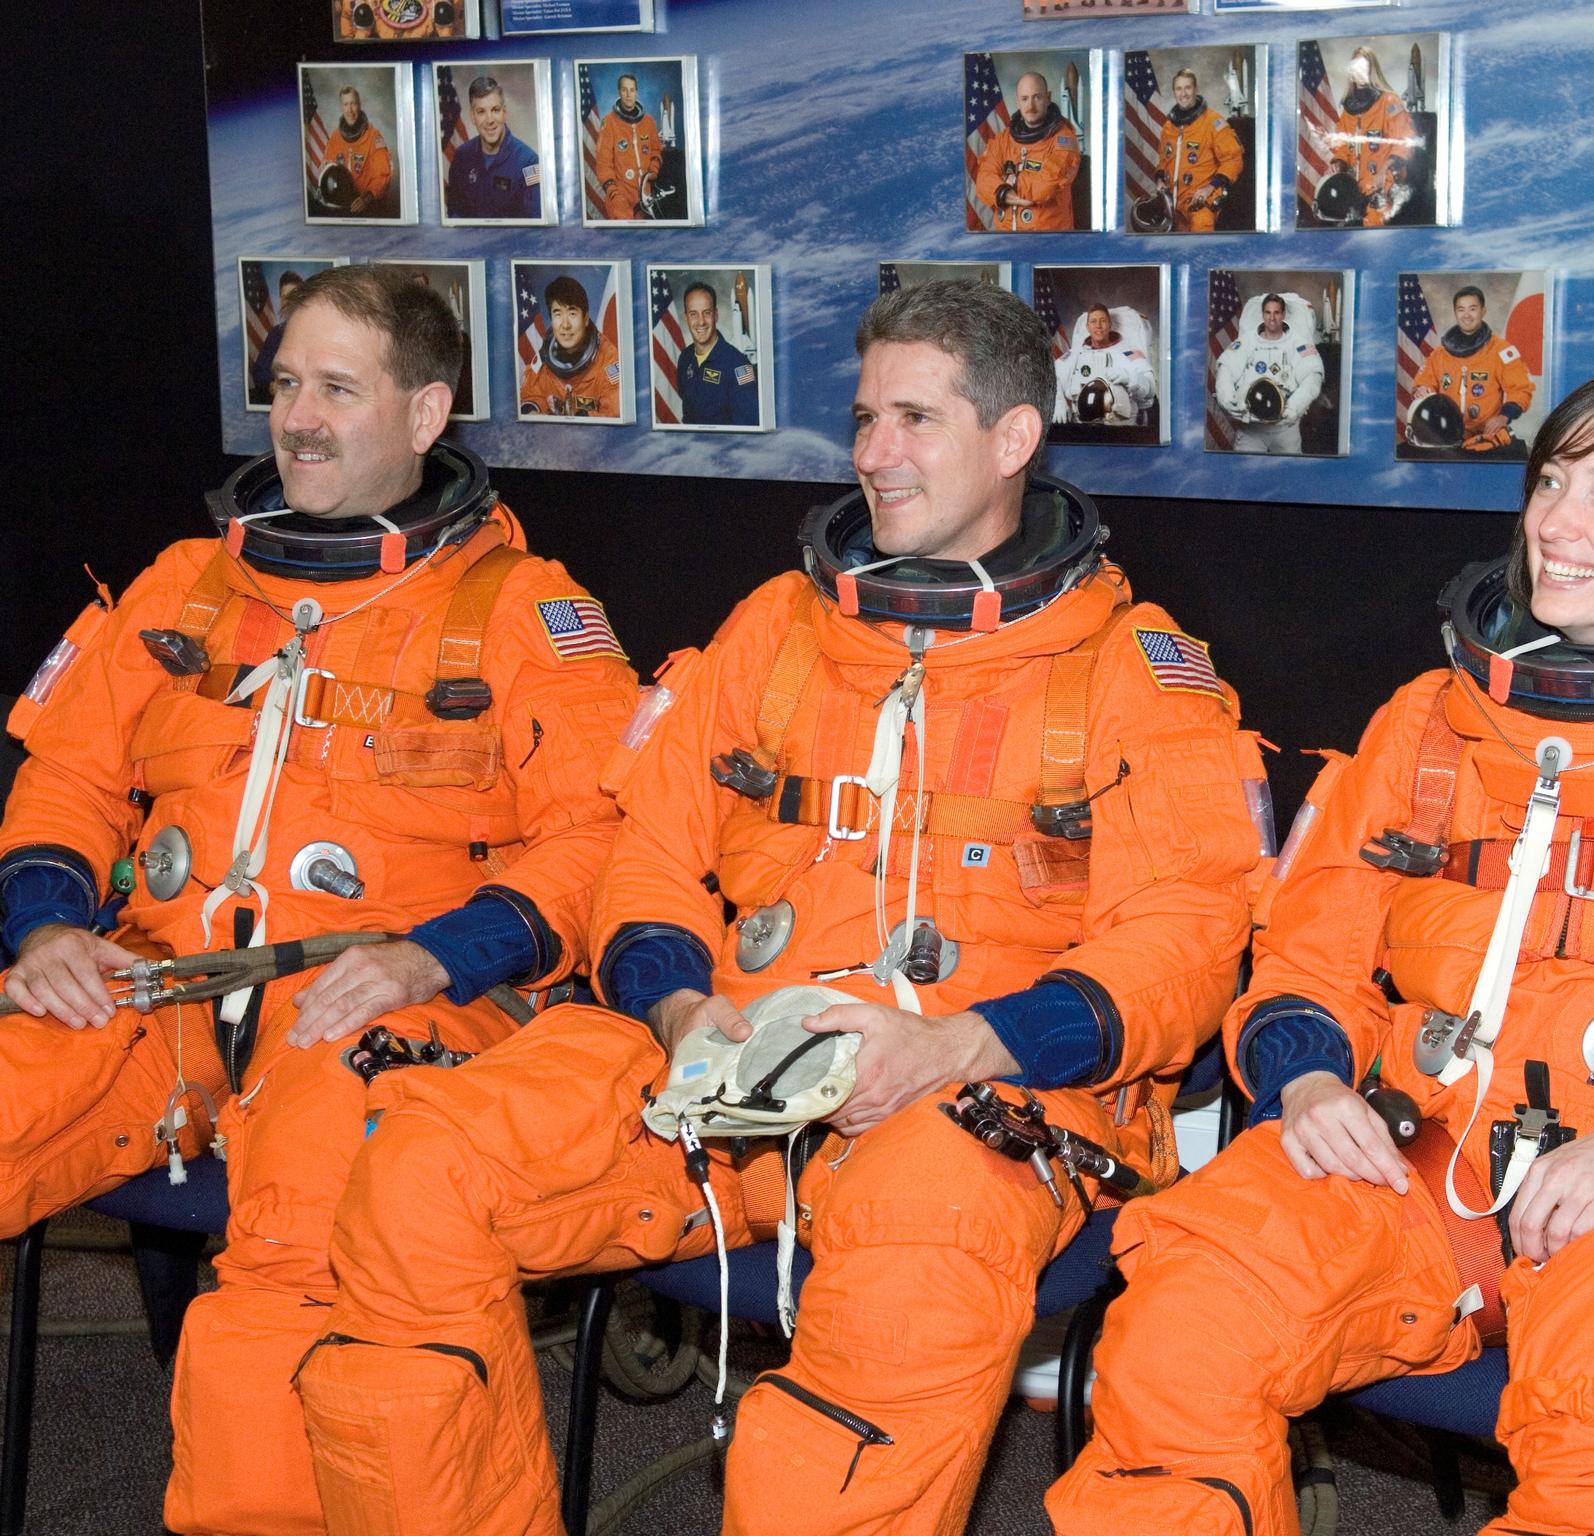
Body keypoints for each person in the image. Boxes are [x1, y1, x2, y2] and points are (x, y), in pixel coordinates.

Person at [296, 278, 1263, 1536]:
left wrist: (958, 1047)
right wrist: (678, 1006)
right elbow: (646, 851)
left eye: (914, 419)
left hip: (973, 1096)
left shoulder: (1131, 672)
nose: (873, 453)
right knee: (420, 1165)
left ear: (1014, 438)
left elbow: (1187, 940)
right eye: (864, 418)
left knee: (904, 1286)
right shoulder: (777, 631)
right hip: (720, 1071)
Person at [1049, 368, 1594, 1536]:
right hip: (1426, 1157)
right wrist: (1308, 1077)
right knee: (1182, 1323)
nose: (1554, 522)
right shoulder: (1428, 725)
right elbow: (1306, 954)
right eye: (1551, 483)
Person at [0, 265, 636, 1536]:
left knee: (291, 1272)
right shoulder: (186, 586)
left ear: (425, 412)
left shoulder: (523, 613)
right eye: (286, 384)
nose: (297, 418)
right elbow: (64, 777)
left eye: (338, 390)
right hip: (155, 991)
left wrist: (437, 957)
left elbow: (602, 839)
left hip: (375, 1005)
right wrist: (48, 925)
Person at [1409, 285, 1534, 458]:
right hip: (1446, 435)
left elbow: (1521, 389)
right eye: (1461, 309)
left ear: (1483, 311)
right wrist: (1422, 389)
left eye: (1472, 309)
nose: (1466, 315)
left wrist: (1503, 417)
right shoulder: (1440, 354)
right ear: (1455, 313)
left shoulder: (1500, 351)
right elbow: (1424, 381)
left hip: (1486, 436)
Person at [1213, 292, 1324, 454]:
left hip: (1285, 429)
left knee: (1288, 468)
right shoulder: (1246, 342)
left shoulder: (1298, 344)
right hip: (1251, 428)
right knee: (1245, 468)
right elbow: (1226, 369)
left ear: (1283, 315)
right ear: (1262, 314)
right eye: (1268, 312)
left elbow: (1313, 377)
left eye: (1276, 313)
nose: (1272, 318)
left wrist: (1293, 408)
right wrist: (1227, 399)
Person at [974, 71, 1082, 231]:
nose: (1030, 106)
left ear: (1048, 98)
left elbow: (1045, 185)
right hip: (1006, 236)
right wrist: (1003, 192)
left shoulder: (1064, 139)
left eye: (1037, 97)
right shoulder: (1004, 139)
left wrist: (1004, 184)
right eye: (1025, 99)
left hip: (1049, 237)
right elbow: (983, 179)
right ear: (1017, 102)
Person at [1325, 45, 1416, 228]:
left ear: (1372, 69)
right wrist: (1338, 163)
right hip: (1353, 189)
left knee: (1372, 229)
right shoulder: (1348, 110)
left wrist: (1385, 168)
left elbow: (1404, 140)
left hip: (1383, 184)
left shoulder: (1389, 102)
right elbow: (1342, 147)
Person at [519, 273, 620, 419]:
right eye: (558, 314)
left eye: (572, 314)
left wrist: (581, 416)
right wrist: (532, 411)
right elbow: (532, 395)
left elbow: (614, 413)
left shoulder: (609, 361)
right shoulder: (545, 358)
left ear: (585, 319)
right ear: (551, 319)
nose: (565, 325)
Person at [1154, 68, 1242, 233]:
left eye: (1188, 88)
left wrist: (1209, 188)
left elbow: (1233, 159)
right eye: (1179, 89)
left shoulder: (1214, 122)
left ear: (1196, 89)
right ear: (1174, 92)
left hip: (1200, 201)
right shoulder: (1169, 127)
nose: (1183, 94)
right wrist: (1159, 180)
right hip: (1173, 204)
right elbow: (1163, 161)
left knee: (1200, 234)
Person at [445, 74, 542, 220]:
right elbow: (454, 215)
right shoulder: (461, 157)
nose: (489, 120)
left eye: (495, 110)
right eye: (481, 112)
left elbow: (534, 222)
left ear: (504, 113)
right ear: (472, 117)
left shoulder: (530, 162)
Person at [1054, 302, 1157, 426]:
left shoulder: (1128, 353)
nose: (1098, 326)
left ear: (1110, 325)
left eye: (1103, 321)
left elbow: (1150, 387)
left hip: (1122, 427)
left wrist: (1132, 379)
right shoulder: (1075, 354)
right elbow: (1052, 375)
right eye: (1093, 321)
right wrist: (1058, 402)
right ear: (1087, 327)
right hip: (1082, 427)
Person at [675, 279, 760, 425]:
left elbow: (749, 426)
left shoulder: (738, 365)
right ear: (686, 318)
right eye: (693, 314)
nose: (701, 322)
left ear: (716, 315)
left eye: (706, 313)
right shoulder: (685, 359)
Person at [594, 72, 664, 220]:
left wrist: (653, 169)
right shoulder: (609, 122)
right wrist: (613, 193)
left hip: (645, 195)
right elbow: (603, 162)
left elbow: (656, 151)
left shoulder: (648, 122)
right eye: (624, 90)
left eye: (632, 90)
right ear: (619, 92)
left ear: (636, 92)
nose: (628, 95)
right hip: (620, 197)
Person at [318, 85, 393, 216]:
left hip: (367, 205)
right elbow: (328, 167)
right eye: (346, 104)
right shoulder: (335, 137)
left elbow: (383, 175)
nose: (350, 110)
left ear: (359, 105)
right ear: (342, 107)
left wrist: (367, 198)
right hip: (340, 205)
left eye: (353, 104)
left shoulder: (374, 137)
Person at [247, 269, 305, 407]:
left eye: (294, 296)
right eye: (285, 297)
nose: (289, 301)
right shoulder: (275, 334)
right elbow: (259, 370)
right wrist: (271, 383)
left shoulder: (318, 331)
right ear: (280, 300)